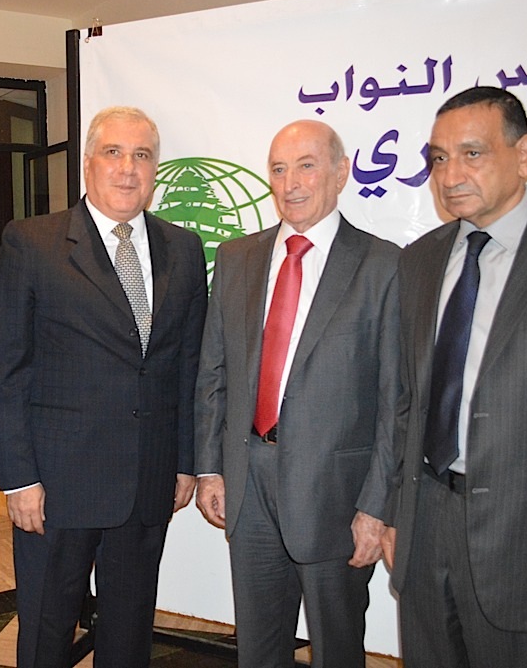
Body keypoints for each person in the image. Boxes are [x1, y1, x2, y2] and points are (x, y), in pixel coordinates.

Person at [381, 86, 527, 667]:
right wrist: (394, 511)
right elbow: (407, 402)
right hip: (426, 530)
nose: (450, 175)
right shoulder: (420, 259)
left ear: (524, 155)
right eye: (439, 158)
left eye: (472, 154)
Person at [0, 106, 207, 668]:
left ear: (155, 169)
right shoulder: (32, 242)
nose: (127, 168)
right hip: (57, 487)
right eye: (113, 152)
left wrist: (185, 461)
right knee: (46, 631)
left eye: (141, 155)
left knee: (129, 635)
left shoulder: (183, 249)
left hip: (147, 480)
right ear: (87, 164)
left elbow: (187, 364)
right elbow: (3, 370)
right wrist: (19, 478)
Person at [194, 119, 400, 668]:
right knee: (259, 648)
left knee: (337, 649)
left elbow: (394, 402)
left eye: (306, 166)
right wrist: (210, 468)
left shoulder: (383, 266)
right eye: (279, 169)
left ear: (341, 173)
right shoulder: (237, 258)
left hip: (337, 495)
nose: (291, 183)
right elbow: (214, 372)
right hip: (248, 484)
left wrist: (376, 506)